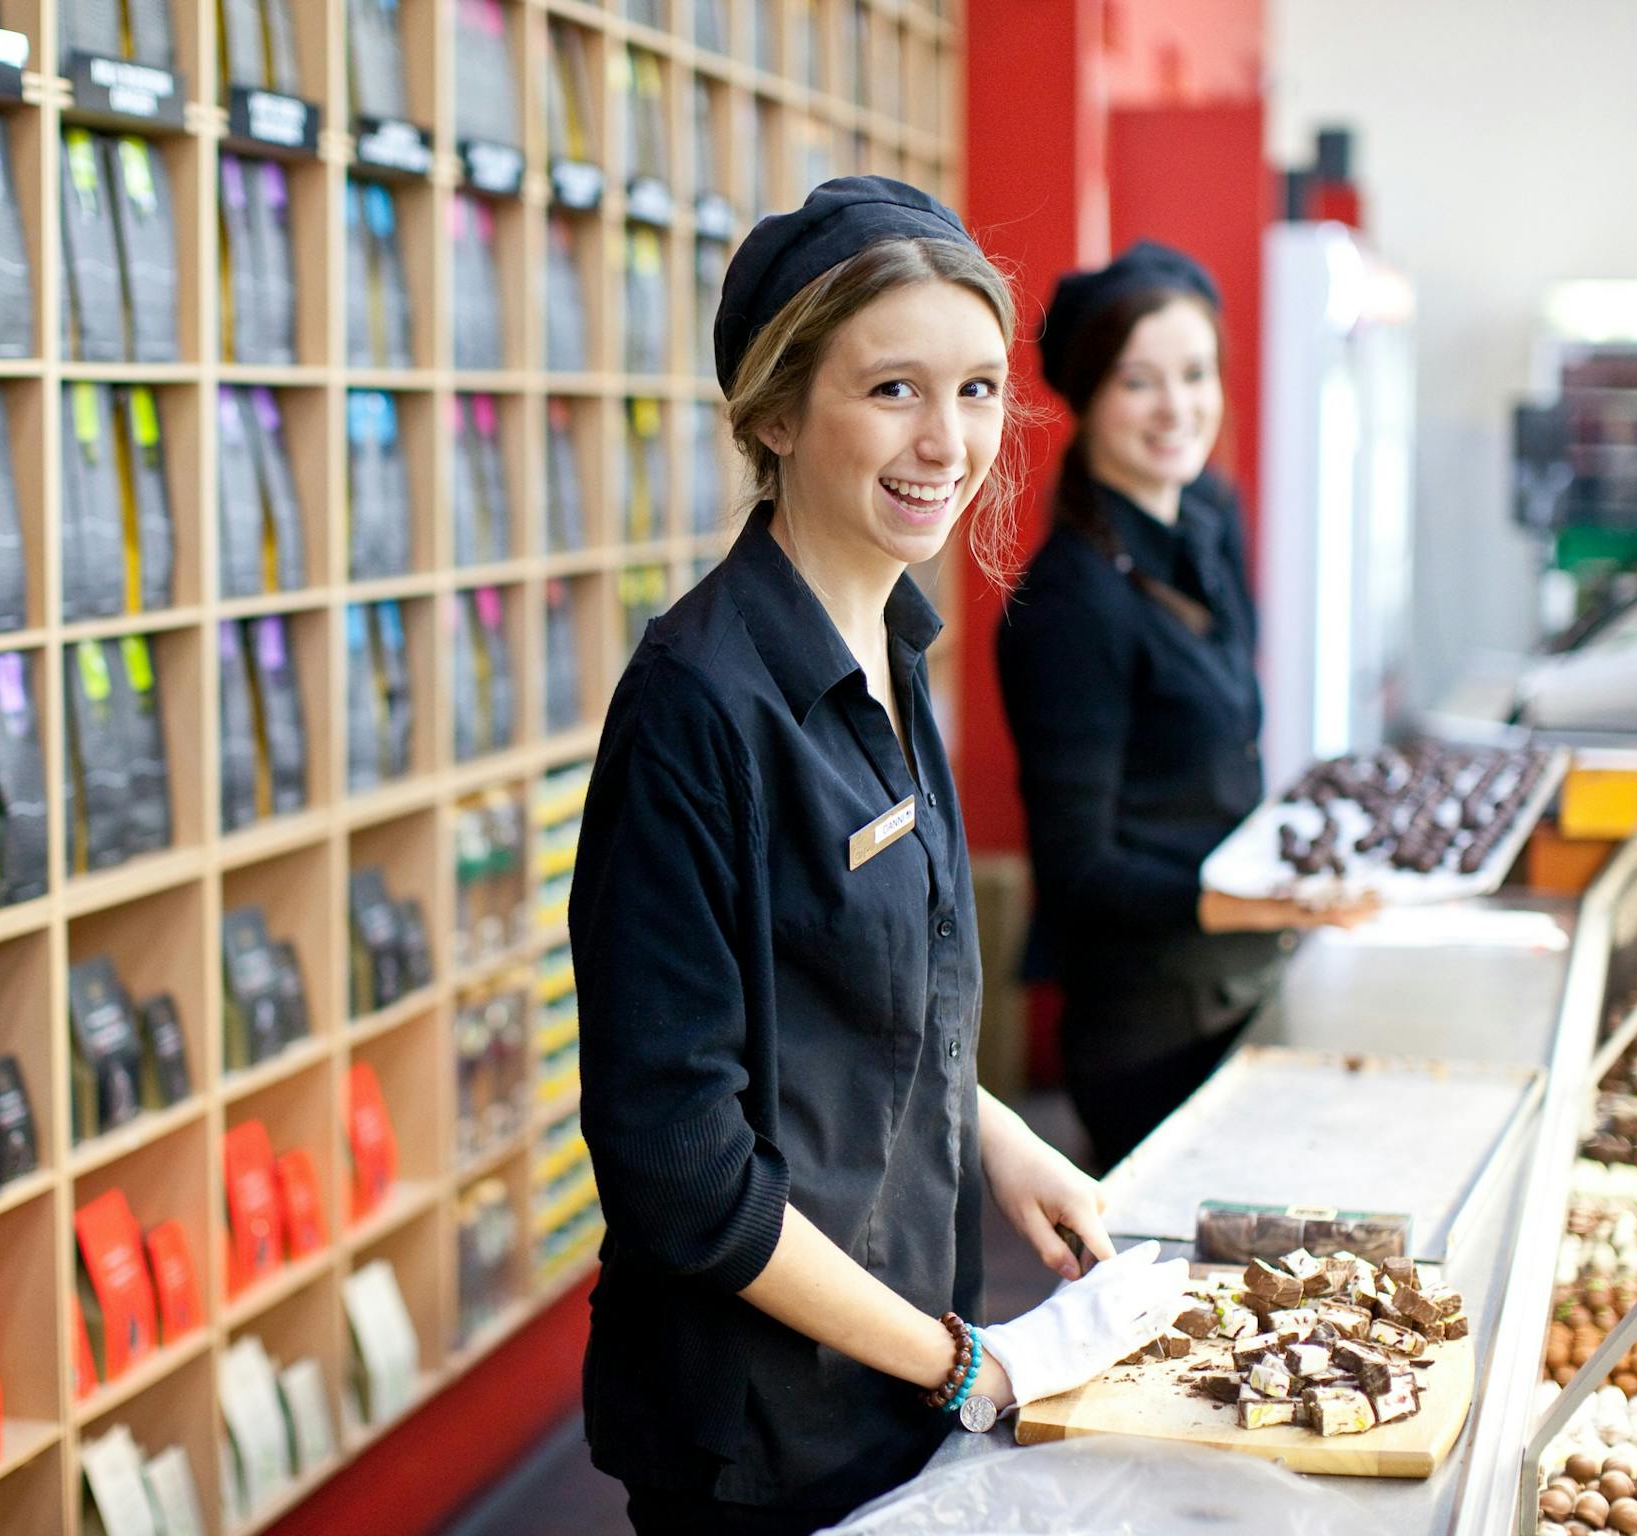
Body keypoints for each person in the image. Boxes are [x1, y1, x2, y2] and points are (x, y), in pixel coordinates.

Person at [569, 179, 1191, 1536]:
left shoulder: (898, 644)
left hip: (896, 1372)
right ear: (776, 415)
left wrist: (1004, 1139)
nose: (948, 440)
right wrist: (963, 1362)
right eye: (895, 389)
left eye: (976, 390)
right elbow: (677, 1159)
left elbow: (865, 1013)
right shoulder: (696, 703)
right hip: (759, 1429)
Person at [996, 243, 1370, 1172]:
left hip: (1247, 978)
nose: (1178, 408)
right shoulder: (1070, 604)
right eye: (1139, 382)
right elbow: (1079, 872)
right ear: (1087, 397)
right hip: (1149, 1028)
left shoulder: (1208, 520)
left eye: (1196, 374)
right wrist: (1265, 898)